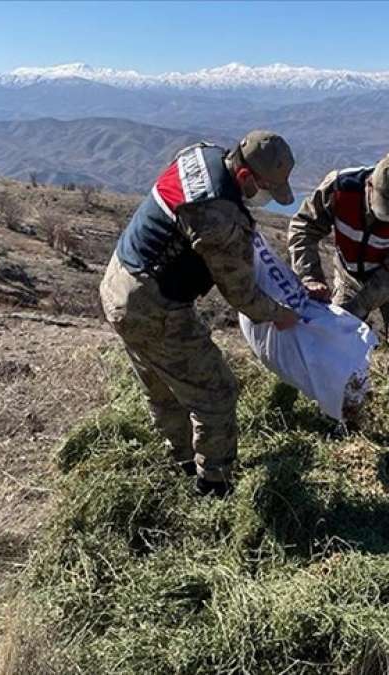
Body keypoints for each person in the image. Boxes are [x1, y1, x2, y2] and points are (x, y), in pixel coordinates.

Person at [99, 130, 299, 495]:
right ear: (244, 177)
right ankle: (213, 487)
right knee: (216, 393)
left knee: (164, 386)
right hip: (152, 305)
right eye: (266, 190)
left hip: (120, 280)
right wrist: (278, 314)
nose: (267, 199)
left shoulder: (202, 154)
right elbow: (242, 295)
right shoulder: (218, 218)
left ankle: (182, 461)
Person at [288, 153, 389, 448]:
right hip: (350, 274)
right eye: (383, 207)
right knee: (340, 347)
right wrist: (309, 276)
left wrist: (360, 305)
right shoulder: (339, 188)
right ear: (370, 186)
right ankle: (344, 419)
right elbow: (303, 227)